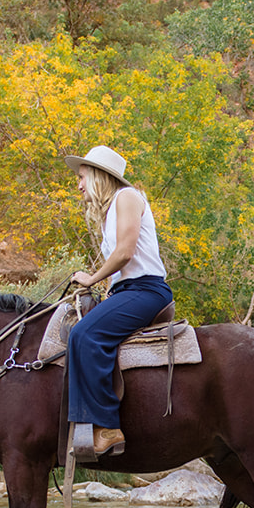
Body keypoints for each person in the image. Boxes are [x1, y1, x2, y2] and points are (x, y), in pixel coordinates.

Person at [62, 145, 174, 460]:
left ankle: (107, 428)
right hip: (127, 291)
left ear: (98, 176)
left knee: (84, 335)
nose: (79, 185)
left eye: (82, 177)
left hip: (147, 290)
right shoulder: (110, 211)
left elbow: (125, 252)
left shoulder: (127, 197)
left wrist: (91, 278)